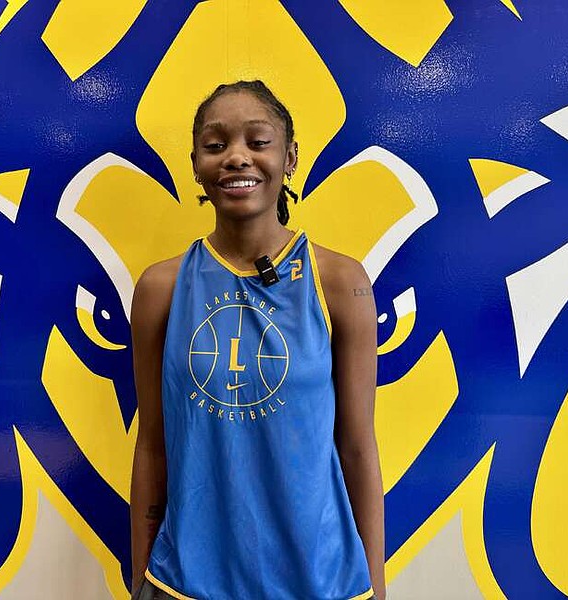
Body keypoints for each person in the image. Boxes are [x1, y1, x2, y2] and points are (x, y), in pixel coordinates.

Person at [130, 80, 385, 600]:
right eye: (216, 144)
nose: (237, 158)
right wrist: (140, 578)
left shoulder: (341, 283)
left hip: (321, 583)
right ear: (196, 164)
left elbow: (358, 448)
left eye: (258, 141)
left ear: (289, 157)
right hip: (186, 585)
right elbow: (153, 447)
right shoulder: (161, 288)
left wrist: (375, 587)